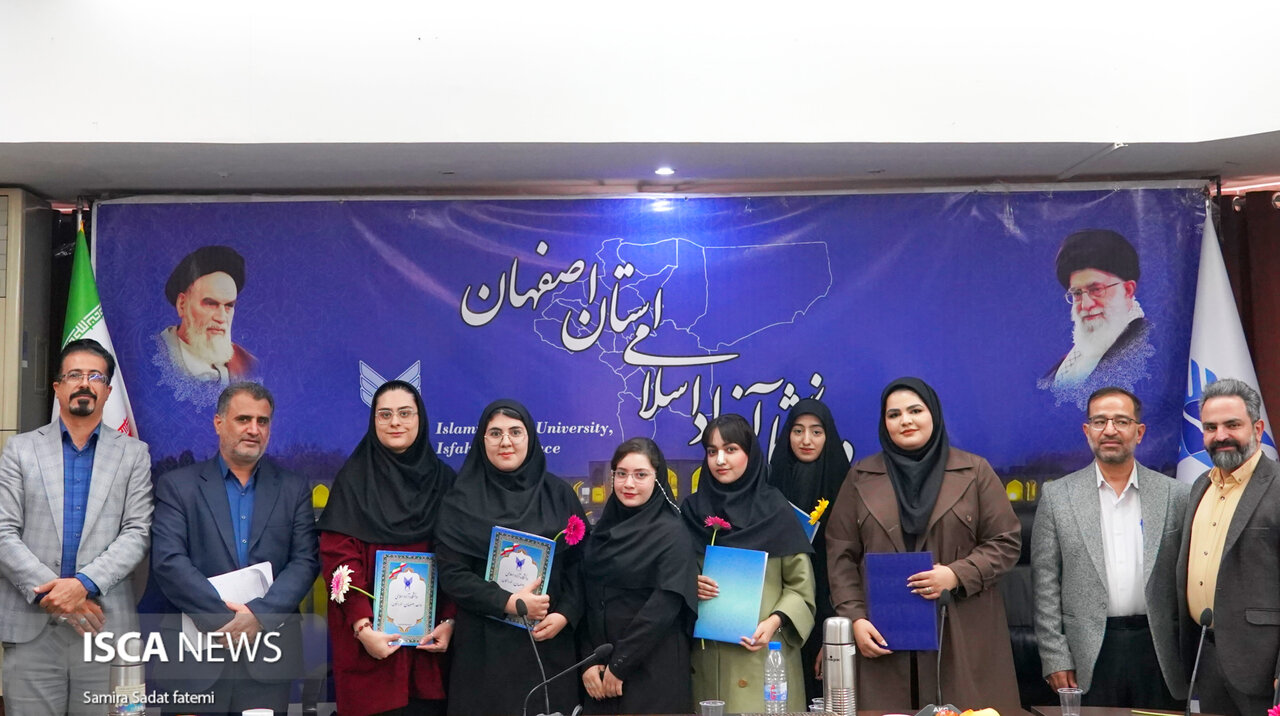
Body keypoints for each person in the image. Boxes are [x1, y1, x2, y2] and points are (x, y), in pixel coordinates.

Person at [826, 377, 1021, 714]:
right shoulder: (860, 476)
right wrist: (855, 617)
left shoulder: (975, 471)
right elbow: (840, 554)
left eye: (915, 411)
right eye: (894, 414)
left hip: (960, 628)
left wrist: (956, 575)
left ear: (934, 414)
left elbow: (1006, 542)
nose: (906, 420)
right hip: (883, 631)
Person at [0, 339, 153, 715]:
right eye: (74, 375)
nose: (84, 383)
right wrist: (56, 594)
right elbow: (3, 532)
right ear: (58, 387)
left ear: (108, 391)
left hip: (104, 627)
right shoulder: (20, 450)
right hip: (32, 627)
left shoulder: (134, 455)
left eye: (95, 376)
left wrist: (82, 585)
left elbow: (137, 533)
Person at [148, 381, 320, 715]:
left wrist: (258, 617)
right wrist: (227, 619)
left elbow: (305, 562)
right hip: (193, 657)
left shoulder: (293, 488)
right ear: (219, 423)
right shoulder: (178, 486)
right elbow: (169, 562)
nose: (254, 429)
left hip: (268, 654)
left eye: (262, 421)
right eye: (243, 419)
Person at [1031, 386, 1188, 708]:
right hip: (1088, 652)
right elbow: (1045, 584)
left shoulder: (1176, 495)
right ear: (1087, 430)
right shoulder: (1058, 497)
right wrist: (1055, 657)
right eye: (1100, 421)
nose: (1110, 430)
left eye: (1121, 421)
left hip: (1159, 650)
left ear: (1139, 432)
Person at [435, 400, 588, 716]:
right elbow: (452, 574)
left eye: (516, 432)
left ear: (530, 437)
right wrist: (507, 602)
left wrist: (566, 614)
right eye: (495, 433)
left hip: (547, 644)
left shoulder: (559, 495)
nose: (506, 441)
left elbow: (580, 565)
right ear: (482, 440)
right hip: (483, 652)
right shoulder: (459, 500)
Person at [318, 380, 459, 716]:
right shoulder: (354, 480)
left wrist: (451, 621)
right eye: (385, 414)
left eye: (405, 413)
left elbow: (459, 556)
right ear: (374, 421)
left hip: (428, 649)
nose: (395, 422)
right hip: (370, 647)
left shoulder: (445, 481)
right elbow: (339, 558)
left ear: (420, 419)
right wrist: (362, 627)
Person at [681, 413, 816, 713]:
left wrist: (774, 622)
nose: (720, 460)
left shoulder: (775, 509)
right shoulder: (692, 510)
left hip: (766, 656)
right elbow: (673, 575)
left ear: (750, 454)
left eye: (731, 449)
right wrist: (690, 584)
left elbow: (801, 589)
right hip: (709, 661)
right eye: (712, 451)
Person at [1177, 378, 1280, 716]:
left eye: (1232, 425)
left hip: (1263, 669)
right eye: (1210, 427)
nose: (1220, 435)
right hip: (1206, 659)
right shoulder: (1199, 487)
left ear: (1258, 429)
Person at [579, 437, 699, 714]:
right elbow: (589, 599)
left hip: (652, 672)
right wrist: (589, 661)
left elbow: (663, 608)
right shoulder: (602, 532)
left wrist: (620, 664)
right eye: (621, 474)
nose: (628, 484)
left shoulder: (672, 534)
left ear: (658, 479)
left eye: (640, 475)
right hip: (601, 675)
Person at [767, 398, 852, 702]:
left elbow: (851, 564)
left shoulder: (847, 488)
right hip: (779, 617)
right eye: (798, 431)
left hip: (832, 614)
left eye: (816, 432)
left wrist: (836, 635)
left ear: (828, 436)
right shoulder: (769, 488)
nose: (806, 440)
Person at [1040, 229, 1153, 393]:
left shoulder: (1148, 349)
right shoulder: (1066, 367)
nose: (1086, 305)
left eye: (1096, 290)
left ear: (1128, 290)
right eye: (1077, 293)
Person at [157, 245, 258, 385]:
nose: (221, 317)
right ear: (182, 305)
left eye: (229, 306)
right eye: (211, 304)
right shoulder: (154, 354)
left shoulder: (246, 363)